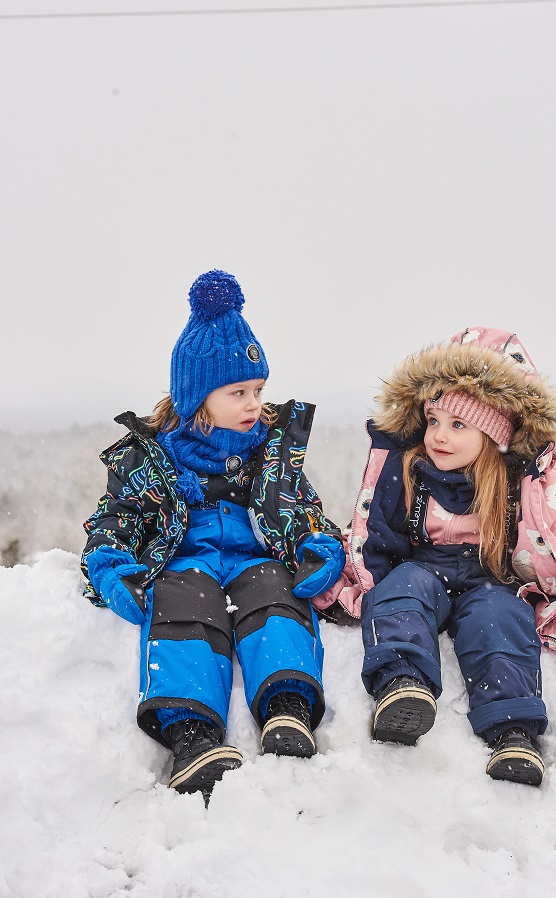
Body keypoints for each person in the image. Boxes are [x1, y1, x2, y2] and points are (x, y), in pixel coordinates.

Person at [81, 270, 345, 805]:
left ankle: (286, 707)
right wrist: (112, 567)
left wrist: (318, 545)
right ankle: (191, 734)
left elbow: (305, 511)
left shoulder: (270, 453)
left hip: (253, 559)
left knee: (277, 593)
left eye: (259, 390)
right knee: (183, 604)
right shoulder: (151, 458)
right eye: (239, 391)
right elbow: (116, 518)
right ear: (198, 397)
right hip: (187, 562)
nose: (254, 403)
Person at [348, 326, 556, 787]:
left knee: (501, 621)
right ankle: (403, 685)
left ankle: (513, 730)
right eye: (434, 421)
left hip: (493, 579)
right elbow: (373, 533)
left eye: (458, 425)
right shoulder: (409, 471)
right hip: (424, 566)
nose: (439, 436)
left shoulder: (523, 487)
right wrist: (359, 582)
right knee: (400, 591)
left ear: (492, 434)